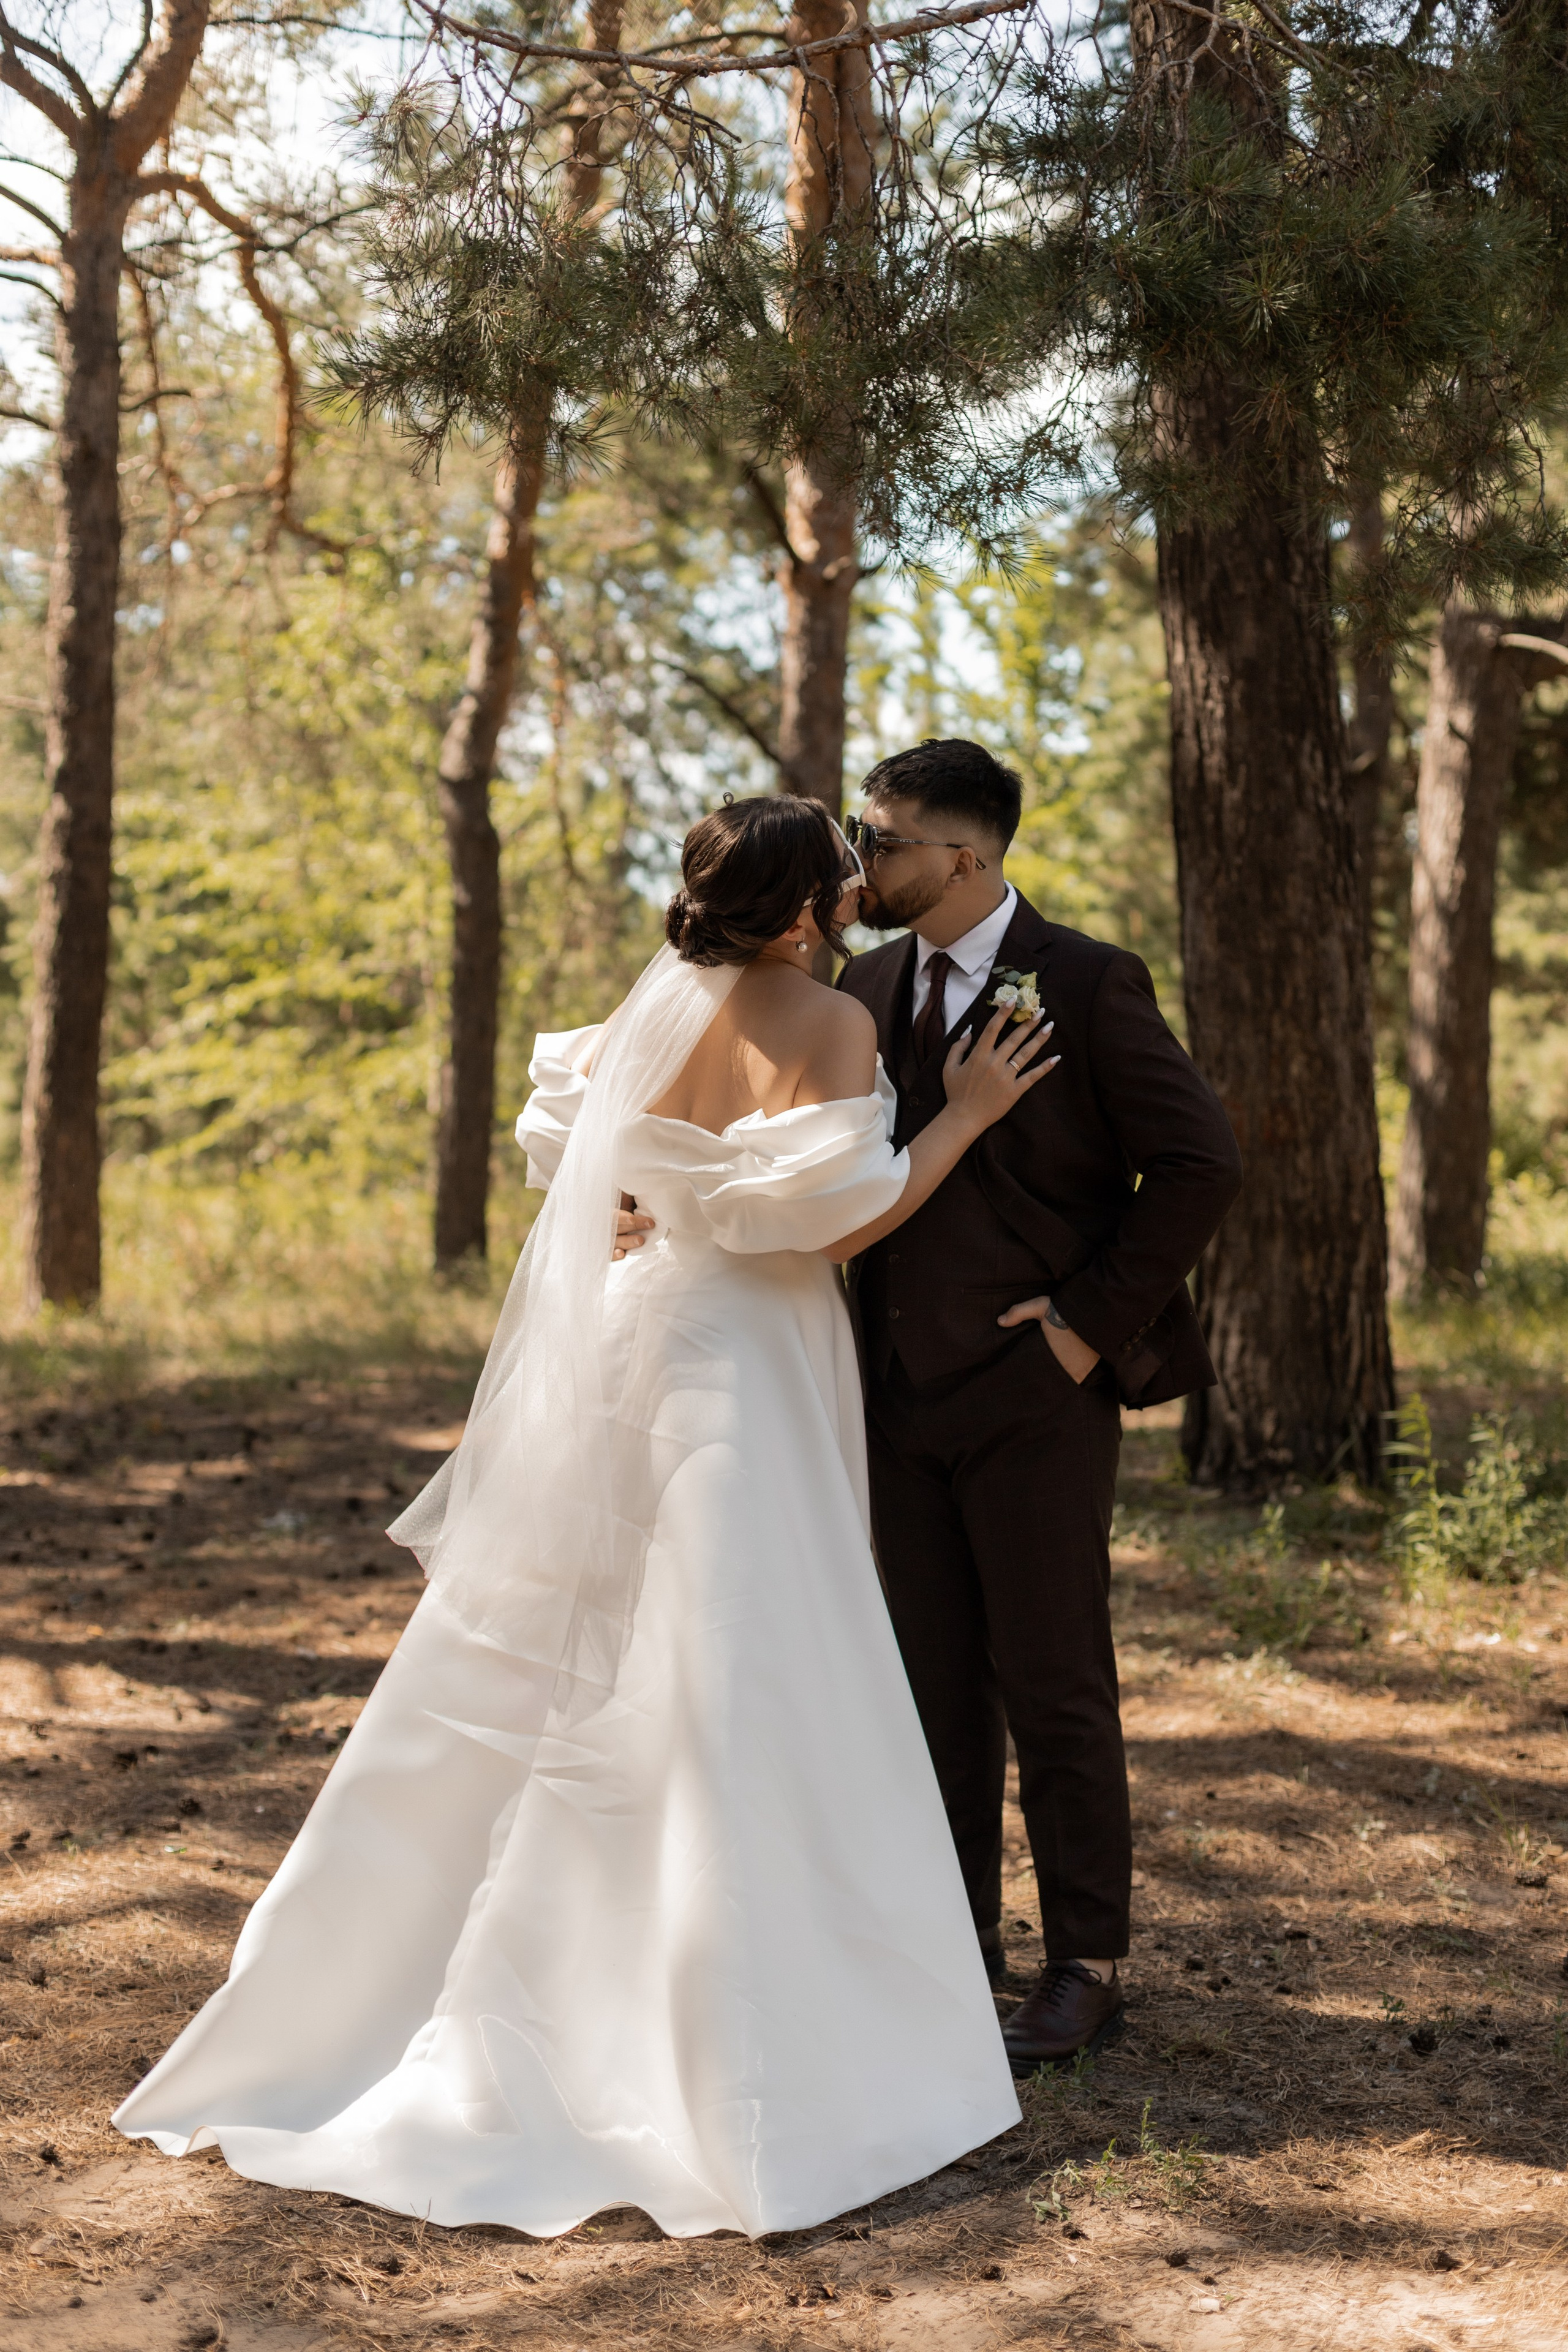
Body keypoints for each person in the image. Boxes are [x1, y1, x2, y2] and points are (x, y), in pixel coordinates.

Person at [113, 794, 1057, 2239]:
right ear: (804, 909)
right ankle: (736, 2049)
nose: (859, 887)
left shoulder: (646, 1017)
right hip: (740, 1359)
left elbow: (604, 1189)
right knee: (736, 1666)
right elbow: (838, 1220)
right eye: (840, 873)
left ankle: (383, 1990)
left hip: (632, 1338)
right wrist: (968, 1118)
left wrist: (649, 1206)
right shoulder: (831, 1024)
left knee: (573, 1644)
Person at [838, 740, 1243, 2073]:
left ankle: (1086, 1964)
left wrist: (1079, 1329)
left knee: (1054, 1682)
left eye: (879, 838)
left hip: (1031, 1399)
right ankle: (955, 1946)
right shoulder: (867, 982)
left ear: (961, 857)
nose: (861, 859)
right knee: (932, 1688)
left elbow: (1195, 1164)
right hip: (891, 1396)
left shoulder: (1080, 980)